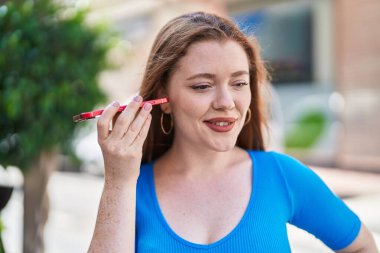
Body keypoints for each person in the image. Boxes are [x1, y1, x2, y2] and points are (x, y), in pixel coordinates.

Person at [88, 12, 378, 253]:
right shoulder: (131, 189)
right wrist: (118, 181)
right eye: (202, 86)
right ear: (163, 97)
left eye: (239, 84)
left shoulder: (281, 175)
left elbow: (363, 246)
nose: (226, 103)